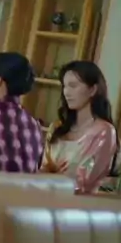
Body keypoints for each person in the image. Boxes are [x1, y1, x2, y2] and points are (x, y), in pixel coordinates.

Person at [41, 60, 118, 194]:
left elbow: (84, 181)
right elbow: (42, 169)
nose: (66, 92)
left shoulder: (104, 131)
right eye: (64, 86)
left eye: (73, 86)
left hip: (79, 203)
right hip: (44, 197)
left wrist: (51, 177)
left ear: (92, 90)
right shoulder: (57, 128)